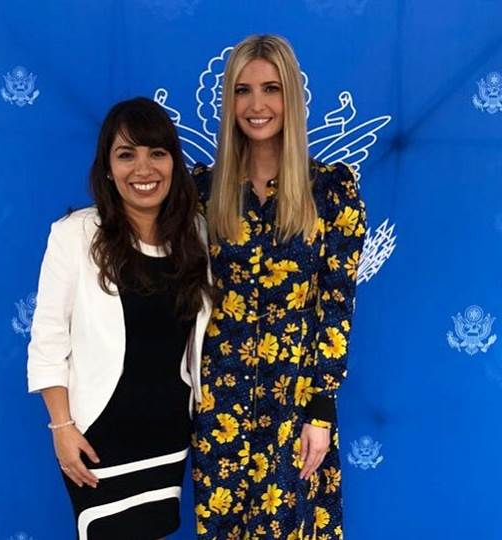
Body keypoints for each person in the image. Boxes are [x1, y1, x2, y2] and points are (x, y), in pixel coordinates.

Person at [191, 35, 367, 539]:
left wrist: (320, 410)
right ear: (230, 102)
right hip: (218, 406)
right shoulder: (202, 191)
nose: (257, 104)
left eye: (271, 88)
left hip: (295, 404)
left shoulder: (331, 191)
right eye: (243, 91)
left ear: (292, 96)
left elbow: (337, 306)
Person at [27, 97, 212, 540]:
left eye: (157, 153)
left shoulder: (196, 236)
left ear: (173, 163)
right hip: (97, 437)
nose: (143, 169)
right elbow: (48, 338)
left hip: (168, 434)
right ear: (108, 168)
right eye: (126, 155)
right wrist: (61, 428)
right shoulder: (74, 235)